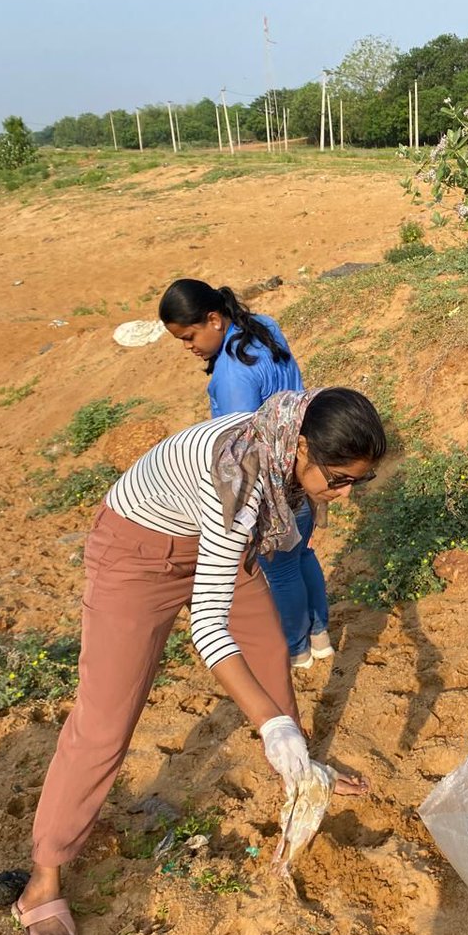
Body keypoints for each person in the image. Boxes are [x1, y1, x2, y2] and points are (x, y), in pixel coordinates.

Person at [12, 388, 386, 935]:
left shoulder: (286, 439)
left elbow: (238, 557)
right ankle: (44, 876)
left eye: (357, 482)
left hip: (213, 543)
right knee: (107, 718)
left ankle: (300, 774)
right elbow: (207, 627)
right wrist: (268, 723)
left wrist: (277, 723)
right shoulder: (242, 472)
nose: (343, 493)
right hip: (137, 555)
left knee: (268, 658)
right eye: (337, 479)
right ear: (302, 447)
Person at [160, 278, 331, 670]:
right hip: (303, 460)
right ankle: (320, 635)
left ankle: (296, 648)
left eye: (189, 336)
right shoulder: (265, 326)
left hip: (271, 482)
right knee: (303, 552)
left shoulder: (231, 376)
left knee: (281, 569)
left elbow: (242, 448)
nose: (188, 347)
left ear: (214, 320)